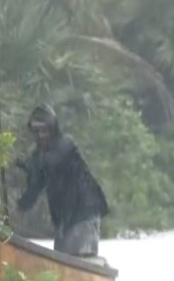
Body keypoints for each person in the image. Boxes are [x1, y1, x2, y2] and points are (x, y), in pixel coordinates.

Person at [15, 104, 109, 259]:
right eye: (37, 131)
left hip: (84, 212)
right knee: (59, 262)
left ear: (53, 129)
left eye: (45, 130)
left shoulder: (66, 144)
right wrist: (20, 207)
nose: (41, 135)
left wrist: (32, 166)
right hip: (63, 219)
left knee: (79, 259)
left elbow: (52, 161)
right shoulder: (39, 156)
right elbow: (34, 189)